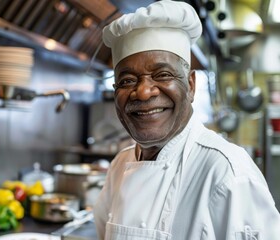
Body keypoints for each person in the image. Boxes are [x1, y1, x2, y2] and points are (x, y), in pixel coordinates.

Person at [93, 0, 280, 239]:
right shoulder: (119, 165)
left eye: (162, 75)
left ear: (191, 85)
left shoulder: (227, 171)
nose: (143, 92)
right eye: (127, 80)